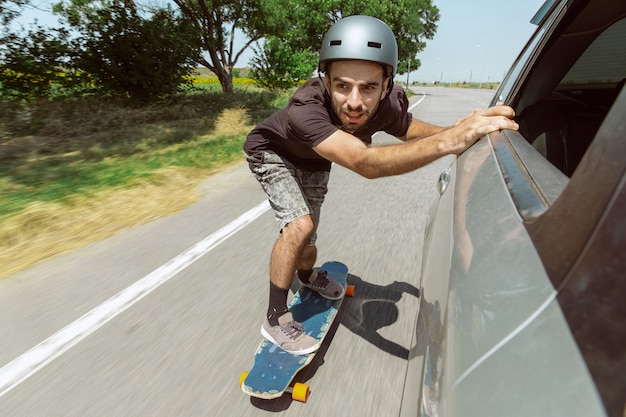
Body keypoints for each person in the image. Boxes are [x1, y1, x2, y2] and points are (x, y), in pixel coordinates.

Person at [243, 15, 518, 355]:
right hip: (272, 152)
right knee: (299, 227)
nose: (355, 102)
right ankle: (275, 317)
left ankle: (307, 275)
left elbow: (407, 129)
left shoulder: (384, 105)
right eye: (342, 86)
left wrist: (459, 131)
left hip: (315, 159)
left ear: (387, 85)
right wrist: (449, 142)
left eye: (369, 88)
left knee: (309, 239)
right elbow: (364, 163)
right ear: (326, 81)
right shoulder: (306, 109)